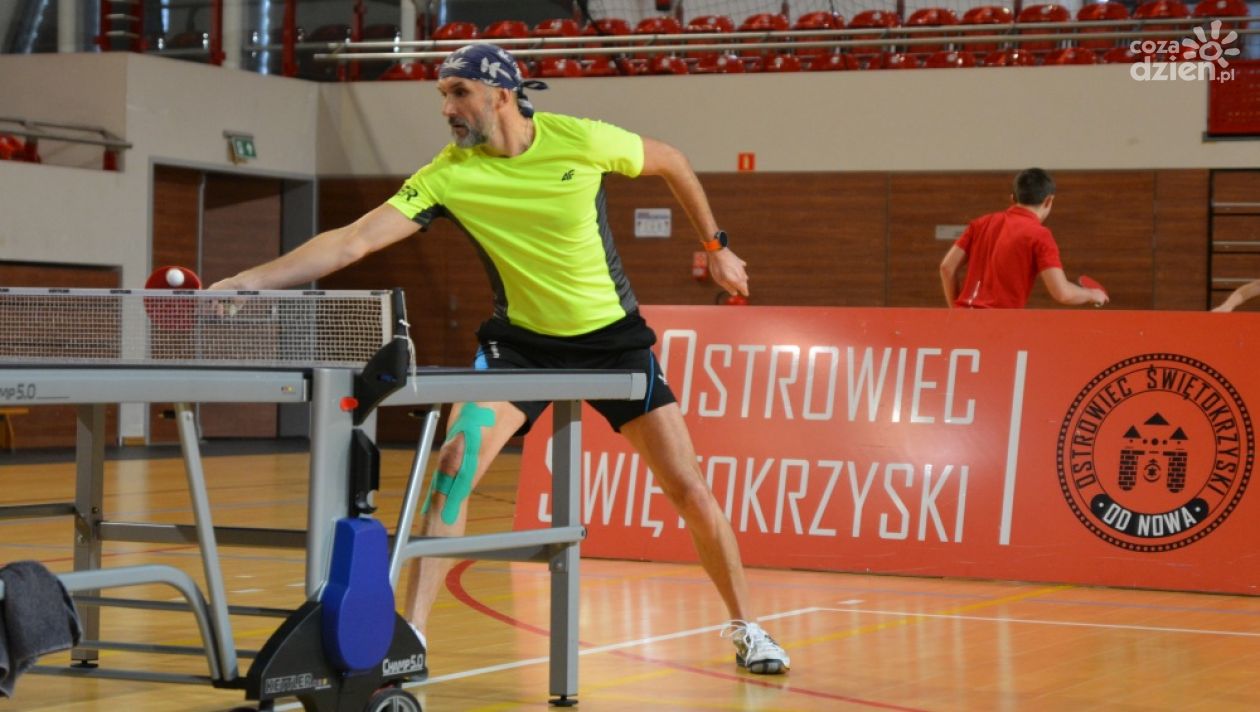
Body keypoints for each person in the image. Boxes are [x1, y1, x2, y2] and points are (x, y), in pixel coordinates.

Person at [209, 43, 791, 675]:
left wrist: (716, 247)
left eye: (459, 93)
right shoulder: (447, 175)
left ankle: (749, 628)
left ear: (502, 94)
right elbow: (353, 241)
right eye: (443, 95)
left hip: (612, 343)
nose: (447, 109)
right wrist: (249, 282)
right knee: (452, 467)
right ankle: (413, 639)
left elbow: (671, 160)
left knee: (688, 487)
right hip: (520, 347)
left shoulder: (581, 140)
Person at [939, 168, 1109, 309]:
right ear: (1049, 201)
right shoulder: (1039, 235)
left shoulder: (981, 223)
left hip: (961, 323)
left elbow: (947, 268)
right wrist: (1092, 294)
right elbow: (1062, 293)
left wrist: (957, 311)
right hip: (998, 327)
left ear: (1013, 198)